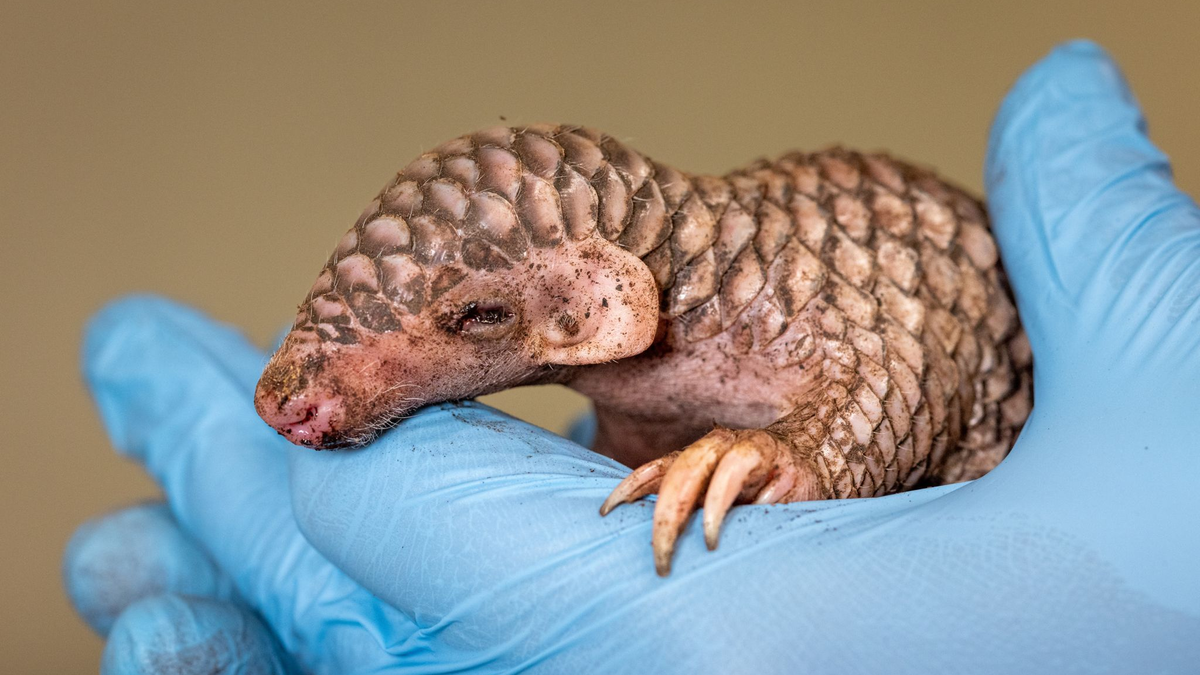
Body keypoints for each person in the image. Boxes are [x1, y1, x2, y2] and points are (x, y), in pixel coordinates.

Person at [64, 41, 1200, 674]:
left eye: (467, 319)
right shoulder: (626, 370)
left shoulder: (812, 286)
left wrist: (792, 461)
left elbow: (899, 368)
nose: (323, 403)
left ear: (591, 303)